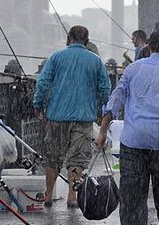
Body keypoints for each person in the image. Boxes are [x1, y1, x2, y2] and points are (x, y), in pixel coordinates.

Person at [96, 29, 159, 225]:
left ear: (148, 47)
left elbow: (115, 101)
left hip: (133, 142)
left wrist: (102, 132)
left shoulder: (132, 69)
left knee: (132, 198)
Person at [32, 25, 111, 208]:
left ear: (69, 39)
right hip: (83, 118)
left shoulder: (56, 57)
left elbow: (43, 83)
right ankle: (72, 196)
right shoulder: (95, 61)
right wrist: (103, 111)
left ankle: (49, 195)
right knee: (77, 158)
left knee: (52, 157)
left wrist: (38, 104)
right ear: (87, 40)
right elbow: (105, 90)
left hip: (57, 116)